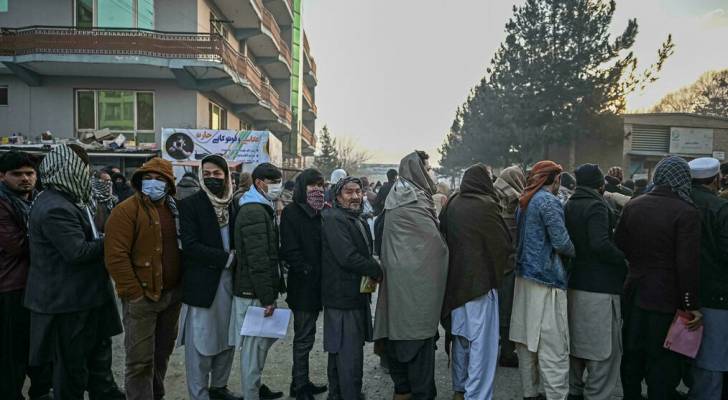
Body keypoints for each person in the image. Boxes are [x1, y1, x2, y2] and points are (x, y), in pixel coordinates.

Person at [26, 144, 124, 400]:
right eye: (83, 167)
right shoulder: (54, 207)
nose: (87, 172)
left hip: (88, 300)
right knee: (72, 372)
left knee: (98, 366)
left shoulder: (73, 199)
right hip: (69, 305)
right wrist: (114, 239)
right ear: (67, 169)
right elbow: (77, 252)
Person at [615, 156, 702, 400]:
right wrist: (691, 305)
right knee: (662, 359)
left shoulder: (635, 204)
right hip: (666, 296)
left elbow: (620, 243)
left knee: (632, 352)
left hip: (634, 289)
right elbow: (687, 264)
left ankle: (631, 396)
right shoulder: (687, 211)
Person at [105, 157, 183, 400]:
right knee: (140, 361)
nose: (153, 183)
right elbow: (116, 256)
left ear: (169, 184)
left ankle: (155, 395)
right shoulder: (126, 210)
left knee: (161, 355)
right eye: (148, 178)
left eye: (159, 179)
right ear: (139, 181)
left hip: (171, 297)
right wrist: (134, 293)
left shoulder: (175, 209)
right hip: (143, 298)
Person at [374, 151, 449, 400]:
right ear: (418, 171)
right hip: (414, 285)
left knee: (399, 333)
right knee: (416, 339)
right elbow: (434, 246)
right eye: (426, 169)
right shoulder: (414, 200)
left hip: (397, 280)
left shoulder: (398, 194)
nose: (429, 173)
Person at [439, 164, 513, 400]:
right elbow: (502, 244)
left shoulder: (453, 202)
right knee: (482, 346)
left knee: (460, 338)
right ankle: (478, 395)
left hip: (455, 283)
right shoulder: (486, 205)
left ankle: (459, 389)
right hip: (480, 285)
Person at [509, 160, 575, 400]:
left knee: (526, 344)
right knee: (553, 346)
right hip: (547, 282)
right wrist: (577, 252)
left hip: (523, 279)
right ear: (554, 179)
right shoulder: (548, 201)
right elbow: (561, 242)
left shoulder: (524, 202)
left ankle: (530, 393)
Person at [177, 155, 241, 400]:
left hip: (230, 285)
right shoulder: (191, 204)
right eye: (207, 173)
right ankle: (199, 393)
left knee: (227, 339)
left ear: (226, 175)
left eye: (217, 173)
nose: (212, 178)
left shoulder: (233, 205)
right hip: (204, 286)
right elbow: (190, 246)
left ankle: (219, 387)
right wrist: (226, 258)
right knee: (201, 342)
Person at [564, 164, 627, 400]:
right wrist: (623, 260)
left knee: (576, 345)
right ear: (600, 184)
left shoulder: (570, 204)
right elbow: (599, 244)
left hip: (574, 282)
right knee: (604, 351)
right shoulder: (597, 205)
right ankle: (596, 395)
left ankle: (575, 391)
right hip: (601, 286)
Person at [321, 176, 383, 400]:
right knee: (348, 354)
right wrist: (376, 269)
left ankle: (339, 394)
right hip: (342, 297)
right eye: (349, 192)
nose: (356, 196)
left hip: (352, 296)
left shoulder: (352, 217)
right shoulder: (334, 218)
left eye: (358, 191)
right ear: (338, 196)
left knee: (342, 350)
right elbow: (347, 257)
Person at [229, 162, 285, 400]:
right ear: (260, 183)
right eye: (274, 183)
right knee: (252, 350)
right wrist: (267, 297)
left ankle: (256, 388)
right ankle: (251, 394)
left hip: (256, 290)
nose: (277, 188)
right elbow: (258, 258)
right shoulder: (253, 210)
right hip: (252, 292)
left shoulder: (262, 206)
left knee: (261, 344)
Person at [0, 151, 52, 400]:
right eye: (17, 174)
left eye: (29, 173)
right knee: (12, 355)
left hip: (35, 286)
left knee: (38, 350)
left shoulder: (35, 200)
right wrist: (53, 239)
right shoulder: (2, 203)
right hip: (11, 288)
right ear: (2, 176)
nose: (25, 179)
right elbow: (17, 245)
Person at [280, 169, 329, 400]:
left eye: (320, 185)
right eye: (312, 185)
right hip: (303, 286)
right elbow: (289, 250)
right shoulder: (291, 212)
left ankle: (302, 380)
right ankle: (299, 386)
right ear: (302, 188)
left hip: (321, 285)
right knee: (303, 338)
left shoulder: (323, 212)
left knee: (308, 338)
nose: (317, 189)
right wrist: (307, 270)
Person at [686, 157, 728, 400]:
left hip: (680, 290)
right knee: (712, 357)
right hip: (716, 293)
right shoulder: (719, 208)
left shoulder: (680, 202)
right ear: (715, 180)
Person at [493, 165, 527, 368]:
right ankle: (507, 351)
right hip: (511, 265)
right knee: (507, 310)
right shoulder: (519, 204)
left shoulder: (492, 201)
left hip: (493, 265)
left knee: (497, 310)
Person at [372, 169, 398, 255]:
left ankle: (377, 250)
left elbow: (377, 201)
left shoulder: (384, 187)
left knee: (376, 225)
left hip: (386, 213)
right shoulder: (399, 187)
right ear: (395, 176)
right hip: (399, 213)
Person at [91, 169, 118, 233]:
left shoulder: (112, 200)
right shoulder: (90, 200)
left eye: (110, 181)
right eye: (106, 181)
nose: (109, 183)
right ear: (98, 182)